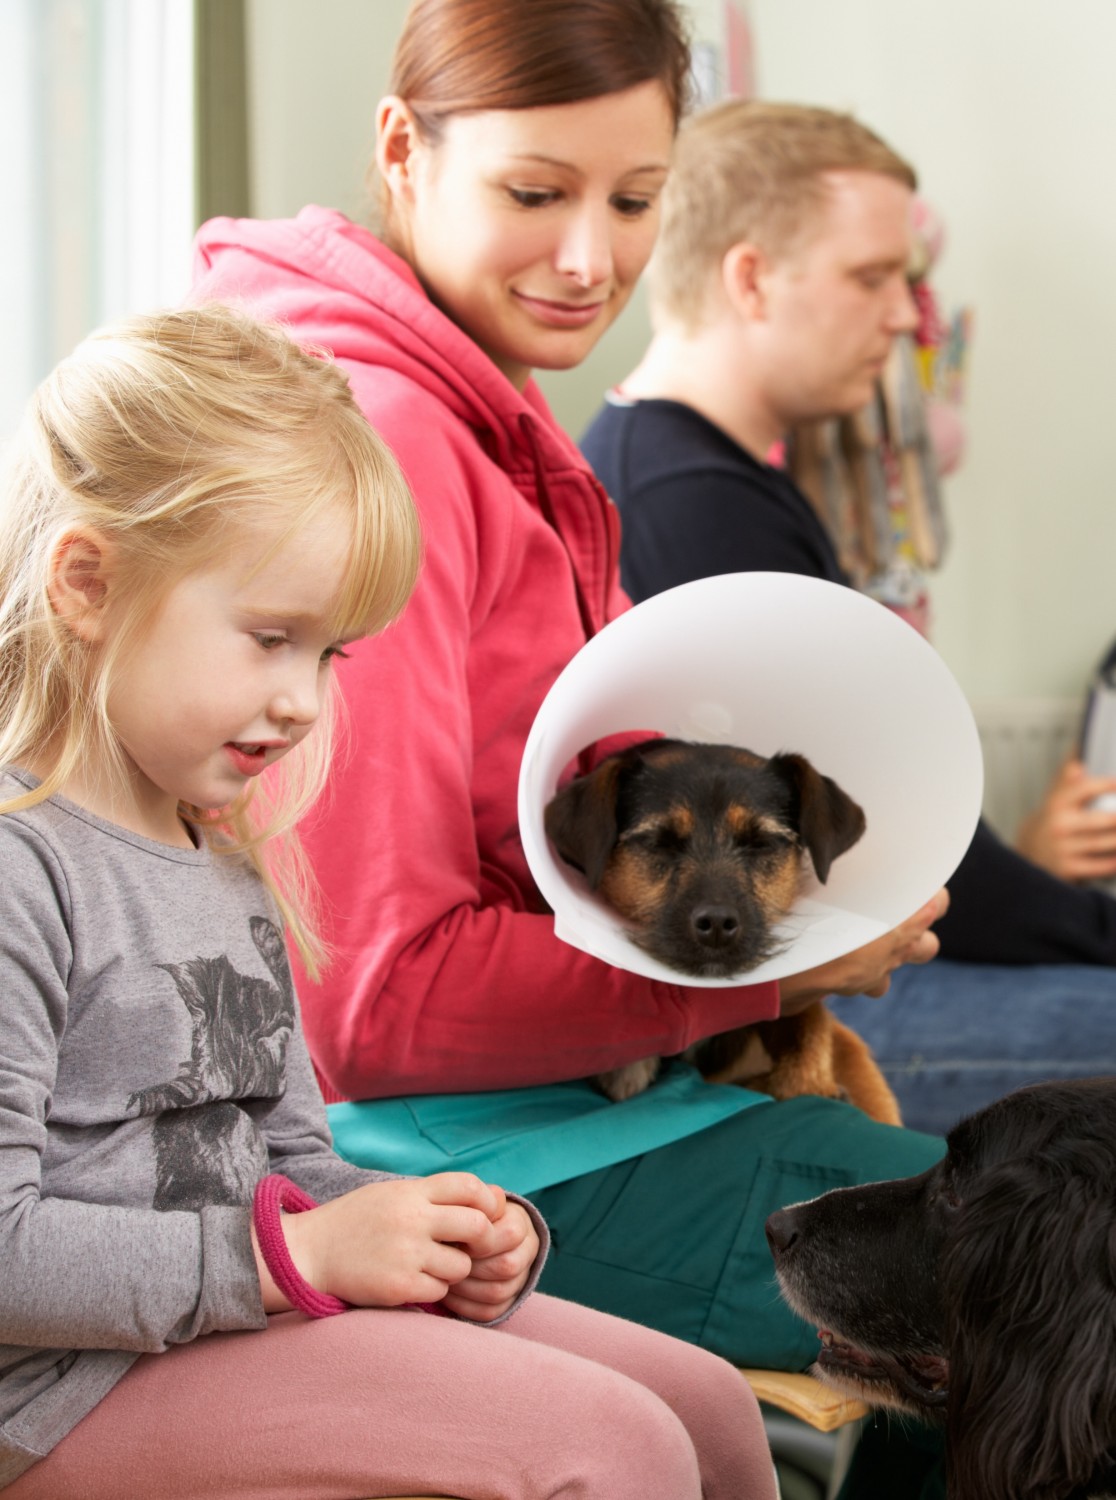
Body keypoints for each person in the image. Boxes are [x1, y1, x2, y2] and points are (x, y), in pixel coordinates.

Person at [190, 0, 949, 1397]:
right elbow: (371, 1008)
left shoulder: (498, 419)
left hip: (553, 1112)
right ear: (401, 152)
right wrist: (785, 959)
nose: (590, 257)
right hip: (434, 1166)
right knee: (1050, 1262)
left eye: (637, 198)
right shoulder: (395, 443)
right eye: (534, 193)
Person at [0, 304, 780, 1500]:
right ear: (89, 583)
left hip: (224, 1312)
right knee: (613, 1450)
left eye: (330, 656)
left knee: (707, 1409)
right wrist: (297, 1253)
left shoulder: (225, 862)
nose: (306, 701)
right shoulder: (24, 864)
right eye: (272, 638)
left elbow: (292, 1159)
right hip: (56, 1389)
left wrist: (438, 1228)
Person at [581, 98, 1116, 1138]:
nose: (909, 317)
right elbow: (910, 865)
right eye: (873, 277)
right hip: (831, 989)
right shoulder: (691, 509)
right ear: (749, 278)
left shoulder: (704, 481)